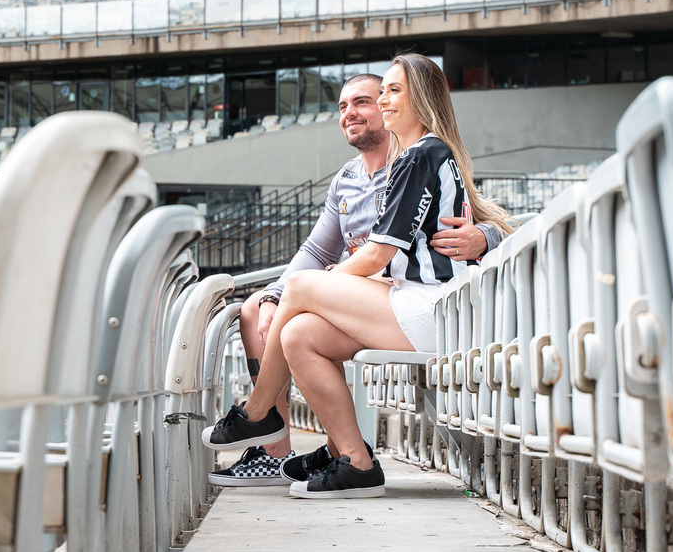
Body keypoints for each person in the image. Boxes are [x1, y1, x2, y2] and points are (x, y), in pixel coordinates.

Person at [203, 53, 513, 498]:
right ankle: (356, 463)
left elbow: (379, 253)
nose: (381, 101)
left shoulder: (421, 156)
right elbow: (321, 251)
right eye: (379, 92)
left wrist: (327, 280)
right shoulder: (400, 161)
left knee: (301, 287)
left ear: (421, 98)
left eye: (390, 91)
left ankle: (257, 412)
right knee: (299, 335)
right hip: (412, 303)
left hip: (435, 308)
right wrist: (301, 288)